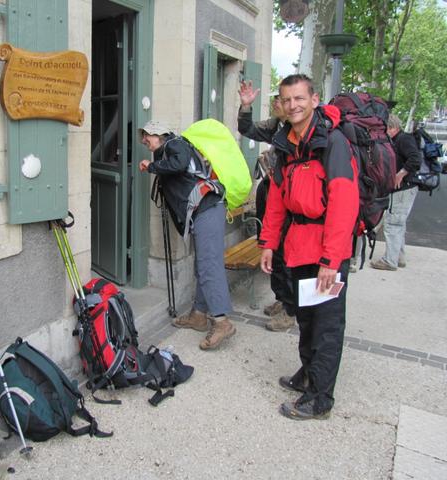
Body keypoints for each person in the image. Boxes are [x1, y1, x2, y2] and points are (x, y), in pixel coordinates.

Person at [259, 74, 359, 420]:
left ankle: (320, 397)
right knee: (306, 318)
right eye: (287, 100)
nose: (293, 105)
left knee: (326, 324)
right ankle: (308, 374)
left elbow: (344, 204)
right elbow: (276, 200)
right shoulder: (286, 145)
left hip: (328, 249)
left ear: (314, 99)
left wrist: (331, 260)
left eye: (300, 98)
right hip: (299, 246)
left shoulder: (333, 143)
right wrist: (269, 243)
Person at [138, 120, 236, 350]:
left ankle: (222, 322)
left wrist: (151, 167)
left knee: (209, 265)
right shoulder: (166, 151)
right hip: (203, 212)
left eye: (147, 136)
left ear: (159, 133)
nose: (144, 141)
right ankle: (199, 315)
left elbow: (180, 165)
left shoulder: (175, 144)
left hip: (208, 208)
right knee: (202, 265)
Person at [237, 83, 295, 332]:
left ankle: (291, 310)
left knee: (288, 255)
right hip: (272, 193)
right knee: (273, 249)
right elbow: (247, 128)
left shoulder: (301, 132)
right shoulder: (276, 125)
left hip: (290, 201)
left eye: (279, 100)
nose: (275, 103)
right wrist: (246, 105)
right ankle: (282, 300)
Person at [370, 114, 421, 271]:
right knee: (398, 224)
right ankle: (398, 257)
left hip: (404, 188)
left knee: (393, 224)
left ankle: (390, 261)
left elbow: (415, 159)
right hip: (404, 188)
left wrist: (401, 173)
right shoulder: (400, 139)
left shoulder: (404, 139)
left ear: (392, 128)